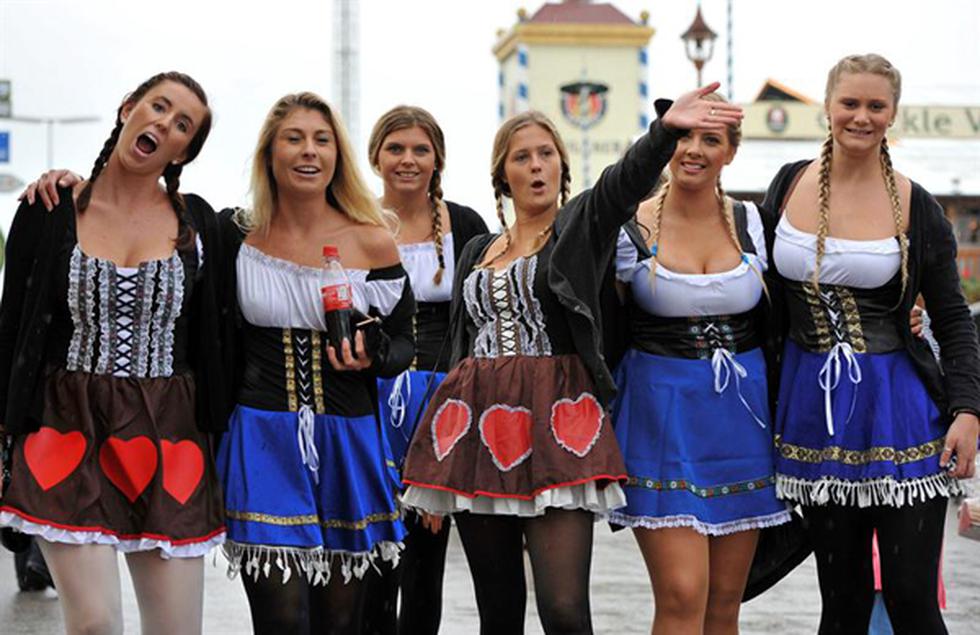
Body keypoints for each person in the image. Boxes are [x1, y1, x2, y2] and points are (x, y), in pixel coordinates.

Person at [401, 83, 742, 634]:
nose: (536, 167)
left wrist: (664, 134)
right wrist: (435, 466)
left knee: (563, 611)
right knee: (498, 612)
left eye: (546, 154)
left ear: (562, 166)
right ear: (502, 177)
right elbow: (460, 349)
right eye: (522, 157)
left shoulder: (579, 227)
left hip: (559, 423)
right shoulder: (476, 250)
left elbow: (622, 184)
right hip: (475, 432)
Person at [0, 72, 226, 635]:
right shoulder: (48, 208)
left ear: (185, 151)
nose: (163, 124)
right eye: (157, 106)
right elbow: (11, 330)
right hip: (63, 426)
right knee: (95, 625)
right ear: (128, 108)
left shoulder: (199, 225)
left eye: (182, 125)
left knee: (177, 629)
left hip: (168, 434)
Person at [762, 53, 980, 634]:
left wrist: (967, 411)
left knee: (911, 597)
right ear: (828, 107)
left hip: (901, 409)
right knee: (842, 599)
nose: (861, 116)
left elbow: (955, 318)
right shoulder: (786, 185)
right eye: (849, 103)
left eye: (875, 106)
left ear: (892, 114)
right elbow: (757, 292)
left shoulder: (918, 203)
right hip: (815, 412)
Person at [213, 92, 413, 634]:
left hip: (348, 438)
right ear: (270, 154)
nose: (309, 151)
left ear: (337, 155)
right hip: (262, 435)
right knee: (281, 621)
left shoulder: (372, 239)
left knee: (340, 624)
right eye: (294, 138)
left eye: (322, 140)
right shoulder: (235, 233)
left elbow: (402, 346)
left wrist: (372, 354)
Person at [610, 92, 791, 634]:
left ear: (730, 152)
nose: (693, 149)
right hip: (661, 417)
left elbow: (803, 300)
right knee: (682, 594)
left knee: (724, 604)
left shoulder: (753, 222)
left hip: (742, 420)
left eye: (709, 139)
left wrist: (910, 317)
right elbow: (588, 313)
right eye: (683, 136)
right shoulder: (628, 228)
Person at [363, 105, 487, 635]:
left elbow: (479, 323)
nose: (407, 160)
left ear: (437, 159)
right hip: (368, 399)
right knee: (371, 553)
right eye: (396, 148)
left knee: (424, 557)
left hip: (442, 402)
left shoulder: (465, 225)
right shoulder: (355, 221)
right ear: (375, 157)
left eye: (420, 149)